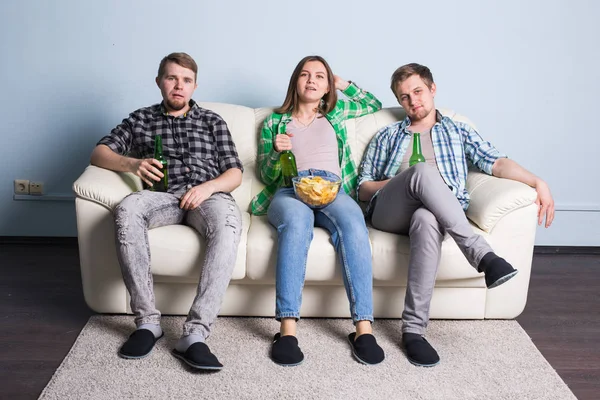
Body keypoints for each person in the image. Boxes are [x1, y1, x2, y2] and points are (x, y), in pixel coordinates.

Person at [358, 63, 555, 367]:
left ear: (432, 89)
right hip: (389, 213)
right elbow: (363, 188)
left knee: (427, 218)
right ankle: (482, 255)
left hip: (436, 214)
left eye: (418, 92)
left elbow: (496, 163)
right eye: (404, 97)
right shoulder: (387, 136)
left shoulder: (457, 130)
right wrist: (408, 179)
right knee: (422, 172)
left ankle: (413, 331)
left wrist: (537, 181)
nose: (413, 101)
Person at [91, 52, 244, 371]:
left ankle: (195, 335)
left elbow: (234, 173)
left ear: (195, 85)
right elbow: (99, 152)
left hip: (207, 195)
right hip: (160, 196)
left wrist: (207, 188)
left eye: (186, 80)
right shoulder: (140, 119)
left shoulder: (212, 121)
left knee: (229, 225)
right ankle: (147, 323)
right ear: (159, 81)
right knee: (128, 207)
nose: (179, 85)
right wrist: (133, 164)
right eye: (172, 78)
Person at [250, 55, 385, 366]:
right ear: (295, 81)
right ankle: (287, 331)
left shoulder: (335, 114)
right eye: (305, 74)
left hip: (334, 190)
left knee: (353, 224)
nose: (311, 80)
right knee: (297, 226)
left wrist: (341, 83)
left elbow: (373, 104)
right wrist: (275, 151)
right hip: (291, 190)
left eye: (320, 76)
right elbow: (267, 175)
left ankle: (363, 329)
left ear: (326, 87)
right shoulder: (274, 122)